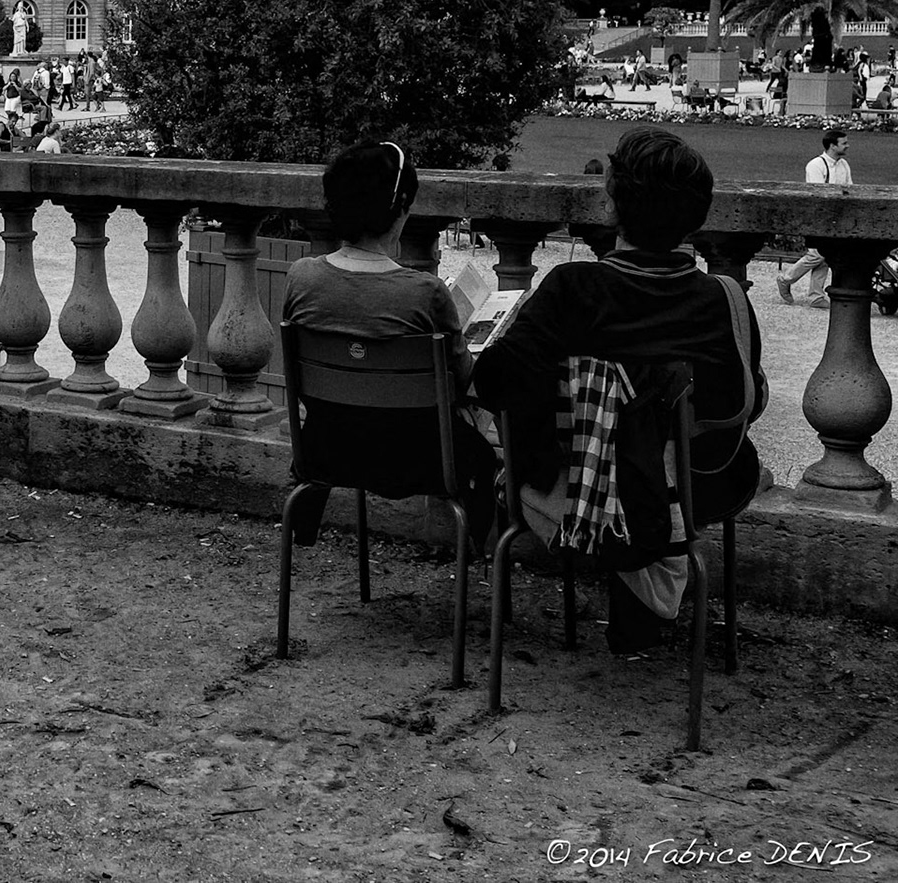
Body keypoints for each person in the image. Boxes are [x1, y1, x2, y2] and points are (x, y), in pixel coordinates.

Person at [473, 126, 766, 656]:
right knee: (657, 457)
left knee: (600, 452)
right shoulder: (722, 300)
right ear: (696, 216)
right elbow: (744, 405)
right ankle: (639, 616)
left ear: (612, 207)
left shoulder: (571, 289)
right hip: (688, 495)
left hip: (573, 490)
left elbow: (496, 381)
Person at [278, 142, 498, 550]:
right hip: (420, 461)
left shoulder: (301, 277)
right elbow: (463, 379)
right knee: (484, 443)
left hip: (327, 450)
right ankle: (479, 554)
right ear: (399, 211)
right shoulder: (425, 292)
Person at [777, 128, 851, 306]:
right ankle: (786, 278)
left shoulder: (844, 165)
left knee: (825, 255)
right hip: (817, 217)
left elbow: (850, 189)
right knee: (816, 255)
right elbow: (817, 193)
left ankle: (816, 296)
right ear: (832, 146)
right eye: (844, 143)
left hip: (835, 217)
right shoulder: (815, 165)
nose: (848, 146)